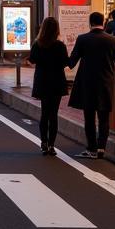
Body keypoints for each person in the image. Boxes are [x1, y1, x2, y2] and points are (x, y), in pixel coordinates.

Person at [68, 12, 115, 159]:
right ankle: (101, 148)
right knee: (104, 118)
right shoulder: (112, 40)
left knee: (89, 117)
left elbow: (72, 62)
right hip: (105, 82)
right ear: (103, 22)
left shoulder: (82, 39)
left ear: (90, 22)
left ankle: (91, 148)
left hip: (87, 83)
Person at [29, 17, 68, 156]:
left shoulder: (37, 44)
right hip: (57, 80)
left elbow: (32, 60)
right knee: (54, 114)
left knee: (44, 113)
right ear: (56, 29)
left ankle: (43, 143)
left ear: (43, 29)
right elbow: (65, 62)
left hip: (42, 80)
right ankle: (52, 145)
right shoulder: (60, 45)